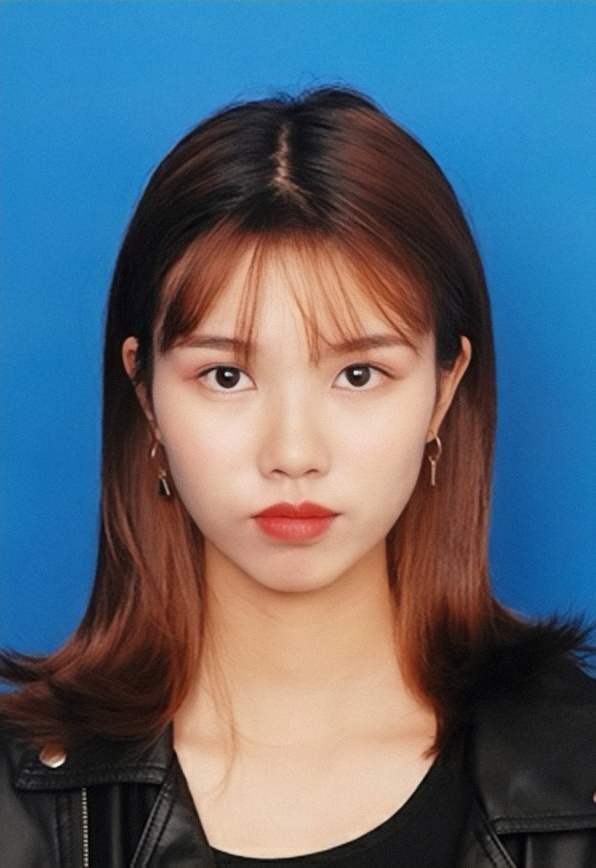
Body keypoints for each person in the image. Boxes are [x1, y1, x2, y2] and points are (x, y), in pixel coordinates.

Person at [0, 87, 595, 868]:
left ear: (444, 388)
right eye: (225, 375)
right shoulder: (19, 800)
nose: (292, 452)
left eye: (358, 374)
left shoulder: (578, 772)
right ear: (145, 393)